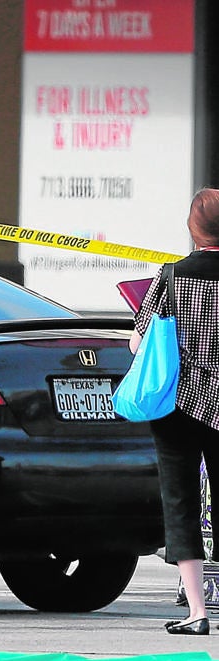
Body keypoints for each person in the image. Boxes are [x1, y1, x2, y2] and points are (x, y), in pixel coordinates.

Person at [131, 187, 219, 636]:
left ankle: (197, 612)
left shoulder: (171, 277)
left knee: (180, 501)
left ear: (193, 228)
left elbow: (140, 340)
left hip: (179, 402)